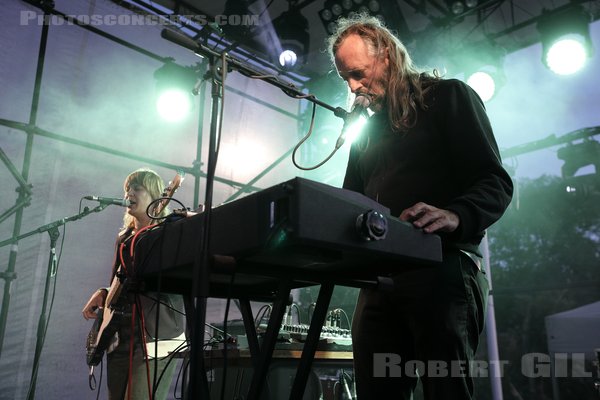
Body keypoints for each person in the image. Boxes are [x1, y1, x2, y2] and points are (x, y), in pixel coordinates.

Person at [328, 15, 513, 400]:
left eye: (358, 73)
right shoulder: (366, 132)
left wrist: (456, 214)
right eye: (345, 78)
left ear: (387, 58)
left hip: (441, 268)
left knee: (445, 390)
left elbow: (494, 182)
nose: (353, 87)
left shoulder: (448, 97)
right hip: (379, 281)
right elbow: (349, 204)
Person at [82, 168, 185, 400]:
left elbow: (170, 279)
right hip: (120, 337)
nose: (129, 193)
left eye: (137, 188)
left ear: (157, 195)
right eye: (127, 189)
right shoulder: (124, 238)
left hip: (154, 337)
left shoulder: (169, 231)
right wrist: (103, 292)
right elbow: (122, 282)